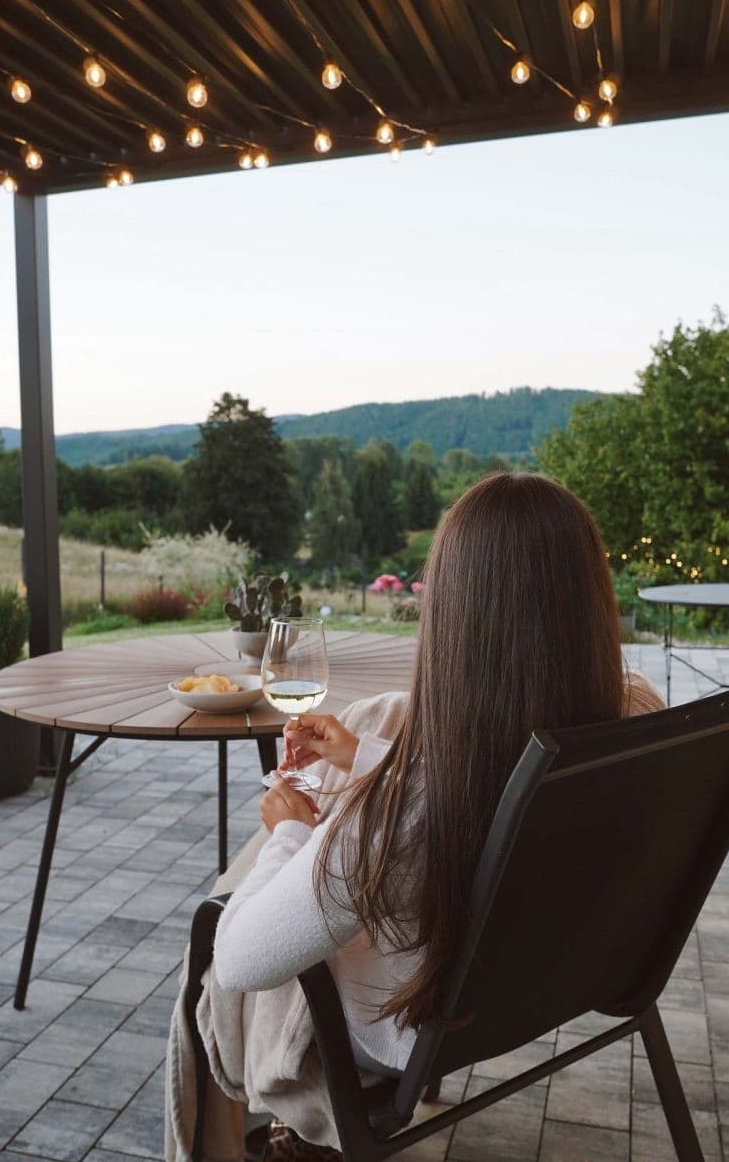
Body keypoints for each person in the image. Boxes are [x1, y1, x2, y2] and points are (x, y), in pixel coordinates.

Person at [165, 472, 663, 1161]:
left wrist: (291, 832)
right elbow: (480, 787)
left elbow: (242, 960)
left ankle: (262, 1135)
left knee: (219, 923)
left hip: (399, 1028)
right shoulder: (634, 714)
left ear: (453, 622)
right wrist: (366, 757)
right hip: (537, 986)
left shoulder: (395, 818)